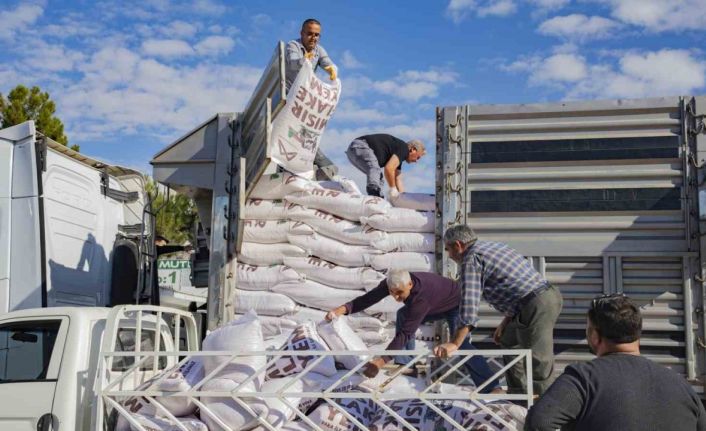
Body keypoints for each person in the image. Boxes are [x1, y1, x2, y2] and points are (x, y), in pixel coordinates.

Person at [525, 294, 706, 431]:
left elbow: (539, 422)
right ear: (637, 331)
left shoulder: (583, 379)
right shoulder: (680, 385)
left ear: (595, 335)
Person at [326, 269, 501, 392]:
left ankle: (492, 387)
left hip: (457, 304)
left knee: (461, 345)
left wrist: (381, 361)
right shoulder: (392, 283)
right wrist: (342, 309)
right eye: (392, 293)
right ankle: (406, 364)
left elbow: (406, 333)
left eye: (399, 293)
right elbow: (368, 299)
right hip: (437, 303)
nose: (395, 297)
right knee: (403, 313)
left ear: (409, 284)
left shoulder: (420, 299)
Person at [441, 224, 563, 396]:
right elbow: (514, 284)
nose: (449, 256)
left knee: (539, 360)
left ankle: (545, 410)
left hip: (537, 304)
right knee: (509, 340)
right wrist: (506, 321)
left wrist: (455, 343)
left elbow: (469, 304)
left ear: (458, 245)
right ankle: (518, 396)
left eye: (448, 249)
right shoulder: (492, 246)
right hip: (538, 299)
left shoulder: (471, 258)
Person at [285, 18, 338, 181]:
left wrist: (331, 69)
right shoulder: (292, 46)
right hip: (288, 97)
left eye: (317, 35)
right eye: (310, 34)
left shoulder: (319, 50)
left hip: (303, 99)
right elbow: (294, 64)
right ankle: (318, 160)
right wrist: (305, 59)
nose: (313, 38)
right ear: (302, 33)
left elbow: (328, 63)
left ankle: (310, 162)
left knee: (306, 131)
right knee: (296, 131)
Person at [345, 133, 425, 199]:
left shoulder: (398, 156)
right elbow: (389, 168)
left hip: (353, 151)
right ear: (413, 149)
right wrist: (393, 189)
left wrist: (404, 198)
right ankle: (374, 193)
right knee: (375, 170)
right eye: (418, 157)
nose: (416, 161)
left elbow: (397, 179)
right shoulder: (404, 149)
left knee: (378, 176)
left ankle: (378, 197)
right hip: (360, 146)